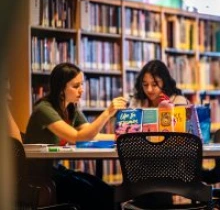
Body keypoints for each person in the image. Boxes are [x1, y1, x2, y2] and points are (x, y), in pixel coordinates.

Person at [24, 62, 127, 210]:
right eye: (76, 86)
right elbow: (77, 137)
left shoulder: (71, 108)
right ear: (61, 89)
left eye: (82, 85)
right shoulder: (44, 110)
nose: (82, 90)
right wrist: (108, 112)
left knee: (109, 192)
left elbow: (92, 135)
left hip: (56, 170)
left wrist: (122, 137)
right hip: (38, 176)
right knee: (94, 194)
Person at [128, 59, 189, 208]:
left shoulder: (178, 101)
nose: (149, 89)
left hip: (172, 164)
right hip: (141, 164)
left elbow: (184, 138)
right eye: (145, 84)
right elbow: (128, 134)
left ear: (165, 82)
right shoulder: (138, 102)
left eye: (155, 84)